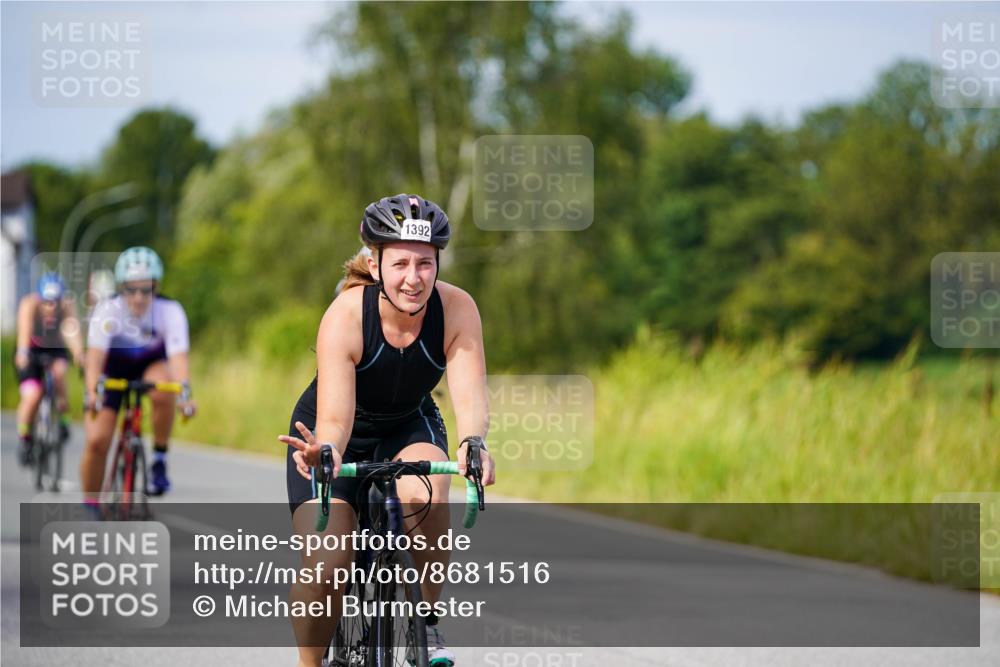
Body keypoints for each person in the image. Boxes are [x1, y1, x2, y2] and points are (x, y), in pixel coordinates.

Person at [280, 194, 496, 667]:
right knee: (329, 565)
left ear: (438, 262)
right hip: (333, 440)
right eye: (400, 263)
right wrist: (324, 450)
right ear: (375, 265)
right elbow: (336, 419)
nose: (413, 278)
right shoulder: (346, 314)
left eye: (425, 263)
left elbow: (470, 400)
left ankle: (427, 624)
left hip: (406, 425)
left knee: (427, 494)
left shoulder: (457, 309)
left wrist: (473, 445)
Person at [81, 247, 197, 508]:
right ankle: (90, 502)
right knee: (98, 441)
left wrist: (186, 396)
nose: (139, 297)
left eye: (147, 290)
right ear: (121, 288)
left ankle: (159, 458)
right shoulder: (107, 310)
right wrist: (92, 392)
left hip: (148, 366)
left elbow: (179, 360)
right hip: (111, 371)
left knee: (164, 386)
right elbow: (95, 359)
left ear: (156, 287)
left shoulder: (171, 311)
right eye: (131, 289)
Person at [14, 272, 84, 464]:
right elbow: (24, 330)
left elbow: (72, 331)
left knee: (60, 374)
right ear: (39, 298)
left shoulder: (67, 306)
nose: (50, 307)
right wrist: (22, 353)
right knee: (32, 395)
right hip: (31, 351)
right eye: (46, 302)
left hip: (55, 349)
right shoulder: (29, 305)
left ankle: (63, 420)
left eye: (55, 302)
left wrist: (79, 353)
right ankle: (25, 437)